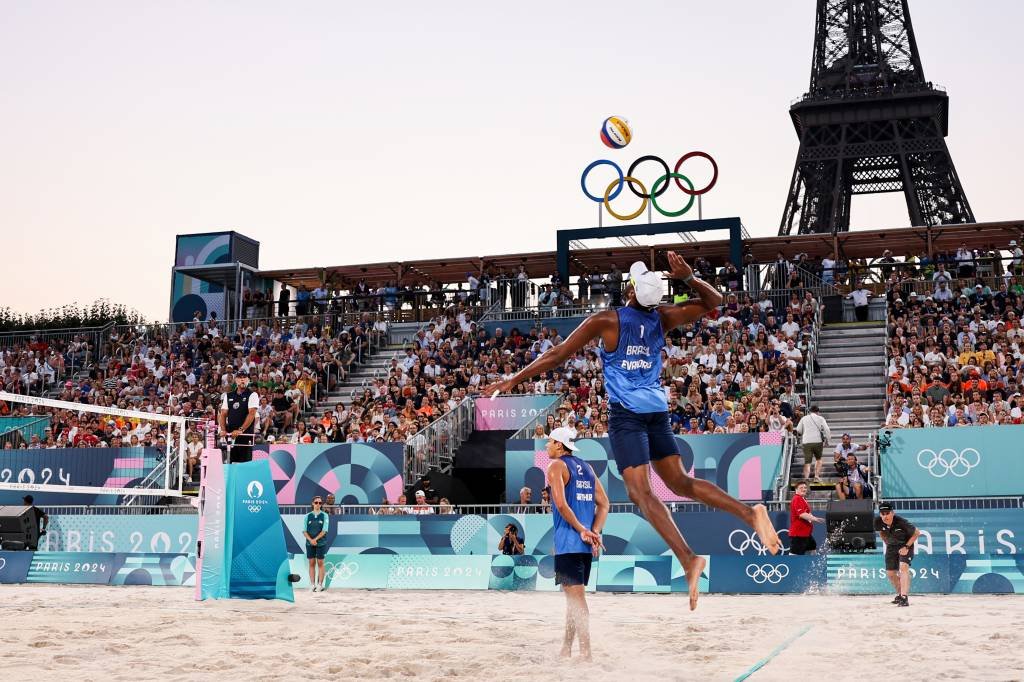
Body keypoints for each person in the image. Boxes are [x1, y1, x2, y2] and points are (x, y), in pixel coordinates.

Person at [487, 253, 780, 611]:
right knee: (680, 484)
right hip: (656, 411)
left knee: (641, 494)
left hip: (627, 416)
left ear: (629, 290)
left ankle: (689, 559)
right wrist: (688, 277)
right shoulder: (664, 317)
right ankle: (750, 514)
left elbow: (560, 354)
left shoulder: (608, 320)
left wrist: (515, 379)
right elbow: (714, 302)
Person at [546, 426, 609, 661]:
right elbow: (605, 504)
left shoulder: (555, 466)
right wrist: (593, 531)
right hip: (583, 546)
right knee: (573, 600)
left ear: (560, 445)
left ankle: (586, 652)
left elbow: (561, 505)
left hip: (568, 542)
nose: (547, 446)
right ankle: (566, 648)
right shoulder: (588, 467)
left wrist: (583, 530)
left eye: (550, 442)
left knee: (577, 601)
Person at [874, 502, 920, 607]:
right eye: (882, 514)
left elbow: (917, 532)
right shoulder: (877, 521)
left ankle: (904, 597)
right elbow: (881, 532)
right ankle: (900, 594)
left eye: (887, 513)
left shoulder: (901, 522)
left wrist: (906, 547)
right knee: (890, 574)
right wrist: (887, 543)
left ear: (892, 513)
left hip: (906, 544)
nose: (885, 516)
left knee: (903, 567)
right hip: (891, 546)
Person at [218, 369, 259, 463]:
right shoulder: (228, 396)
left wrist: (240, 430)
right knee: (231, 463)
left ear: (248, 380)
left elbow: (251, 413)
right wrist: (223, 429)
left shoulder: (252, 395)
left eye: (244, 377)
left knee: (244, 465)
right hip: (230, 436)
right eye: (240, 378)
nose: (242, 380)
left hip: (245, 436)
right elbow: (223, 414)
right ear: (236, 380)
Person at [794, 405, 830, 483]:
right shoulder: (820, 418)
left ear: (809, 411)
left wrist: (805, 432)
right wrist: (828, 440)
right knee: (818, 459)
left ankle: (806, 478)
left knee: (807, 461)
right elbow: (827, 429)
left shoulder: (804, 418)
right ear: (818, 412)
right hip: (818, 441)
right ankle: (816, 476)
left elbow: (798, 430)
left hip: (806, 441)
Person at [788, 482, 823, 555]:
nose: (804, 489)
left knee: (812, 547)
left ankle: (813, 564)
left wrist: (811, 517)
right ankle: (791, 565)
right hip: (798, 534)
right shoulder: (797, 498)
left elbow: (807, 513)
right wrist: (815, 519)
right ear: (796, 490)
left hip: (806, 533)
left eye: (805, 488)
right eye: (801, 488)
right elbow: (801, 514)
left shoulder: (802, 499)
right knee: (795, 554)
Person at [303, 496, 330, 592]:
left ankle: (320, 585)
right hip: (310, 543)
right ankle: (312, 584)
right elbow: (304, 531)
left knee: (320, 563)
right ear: (312, 503)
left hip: (321, 543)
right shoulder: (307, 516)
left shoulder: (325, 515)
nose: (318, 504)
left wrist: (315, 539)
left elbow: (324, 530)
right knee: (311, 563)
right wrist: (311, 540)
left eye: (320, 502)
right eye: (316, 502)